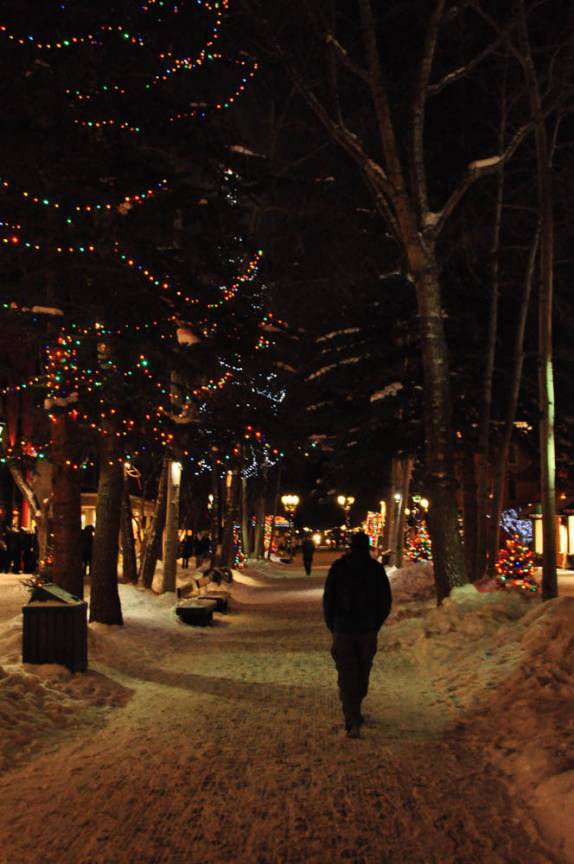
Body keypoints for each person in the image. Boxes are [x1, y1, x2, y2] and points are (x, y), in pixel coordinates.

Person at [323, 531, 392, 739]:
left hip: (343, 628)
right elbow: (385, 601)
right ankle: (354, 712)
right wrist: (375, 624)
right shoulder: (375, 569)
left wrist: (333, 624)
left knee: (346, 673)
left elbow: (329, 599)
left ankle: (352, 716)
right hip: (366, 629)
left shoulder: (338, 568)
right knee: (362, 670)